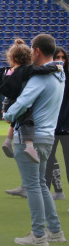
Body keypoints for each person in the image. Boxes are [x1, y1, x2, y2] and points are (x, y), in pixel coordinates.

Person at [4, 34, 66, 246]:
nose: (30, 51)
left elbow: (22, 103)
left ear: (38, 50)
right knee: (40, 184)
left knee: (32, 186)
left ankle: (38, 234)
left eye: (32, 48)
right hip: (47, 136)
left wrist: (8, 115)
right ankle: (55, 231)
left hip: (31, 135)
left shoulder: (40, 78)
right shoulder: (60, 73)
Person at [0, 39, 58, 164]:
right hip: (18, 100)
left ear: (12, 58)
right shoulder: (26, 69)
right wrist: (55, 67)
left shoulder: (8, 70)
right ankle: (29, 146)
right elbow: (42, 70)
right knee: (28, 120)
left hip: (8, 101)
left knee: (15, 121)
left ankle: (8, 141)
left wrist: (6, 110)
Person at [45, 46, 69, 199]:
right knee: (46, 166)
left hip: (67, 129)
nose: (60, 60)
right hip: (50, 129)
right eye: (56, 57)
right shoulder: (46, 78)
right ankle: (45, 201)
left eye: (63, 57)